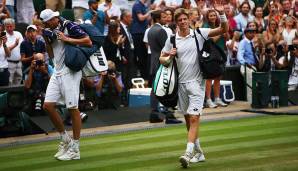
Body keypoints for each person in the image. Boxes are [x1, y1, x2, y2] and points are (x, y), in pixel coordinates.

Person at [160, 4, 228, 168]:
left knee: (194, 117)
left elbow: (223, 29)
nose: (183, 21)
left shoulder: (199, 33)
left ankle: (188, 153)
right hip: (181, 84)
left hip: (197, 83)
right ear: (177, 22)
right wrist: (169, 57)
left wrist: (222, 14)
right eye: (180, 20)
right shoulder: (172, 39)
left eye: (185, 19)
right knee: (188, 120)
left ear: (189, 20)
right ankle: (199, 152)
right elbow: (161, 59)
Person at [40, 9, 92, 161]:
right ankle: (65, 140)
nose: (47, 25)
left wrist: (66, 39)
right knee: (48, 106)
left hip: (71, 72)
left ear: (53, 19)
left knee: (73, 108)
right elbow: (50, 54)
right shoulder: (49, 30)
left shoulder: (69, 25)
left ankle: (75, 149)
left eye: (48, 22)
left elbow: (87, 41)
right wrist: (46, 39)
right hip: (57, 71)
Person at [147, 9, 182, 124]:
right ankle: (169, 115)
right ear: (157, 19)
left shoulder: (150, 30)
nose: (166, 18)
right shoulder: (161, 30)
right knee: (168, 88)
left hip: (153, 63)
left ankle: (154, 114)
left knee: (155, 88)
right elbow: (166, 49)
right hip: (163, 63)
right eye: (163, 17)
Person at [202, 9, 228, 108]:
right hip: (211, 54)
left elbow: (227, 38)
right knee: (209, 78)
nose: (213, 17)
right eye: (211, 16)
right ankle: (208, 100)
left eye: (214, 15)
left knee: (218, 77)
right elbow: (212, 40)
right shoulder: (205, 27)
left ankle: (217, 98)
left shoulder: (219, 26)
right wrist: (221, 33)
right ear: (207, 17)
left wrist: (226, 34)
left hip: (220, 52)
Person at [237, 27, 259, 103]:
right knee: (250, 85)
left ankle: (255, 101)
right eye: (250, 32)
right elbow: (239, 55)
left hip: (253, 67)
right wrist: (245, 63)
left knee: (255, 85)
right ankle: (251, 102)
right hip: (246, 66)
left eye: (253, 32)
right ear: (245, 33)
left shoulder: (252, 42)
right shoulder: (243, 42)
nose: (252, 34)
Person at [4, 18, 23, 85]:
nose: (9, 28)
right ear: (5, 27)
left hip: (19, 62)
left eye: (11, 26)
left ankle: (17, 95)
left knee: (19, 80)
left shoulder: (18, 34)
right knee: (9, 81)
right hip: (9, 63)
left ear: (14, 26)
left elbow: (22, 47)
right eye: (7, 26)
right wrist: (15, 45)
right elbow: (5, 50)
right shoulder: (3, 36)